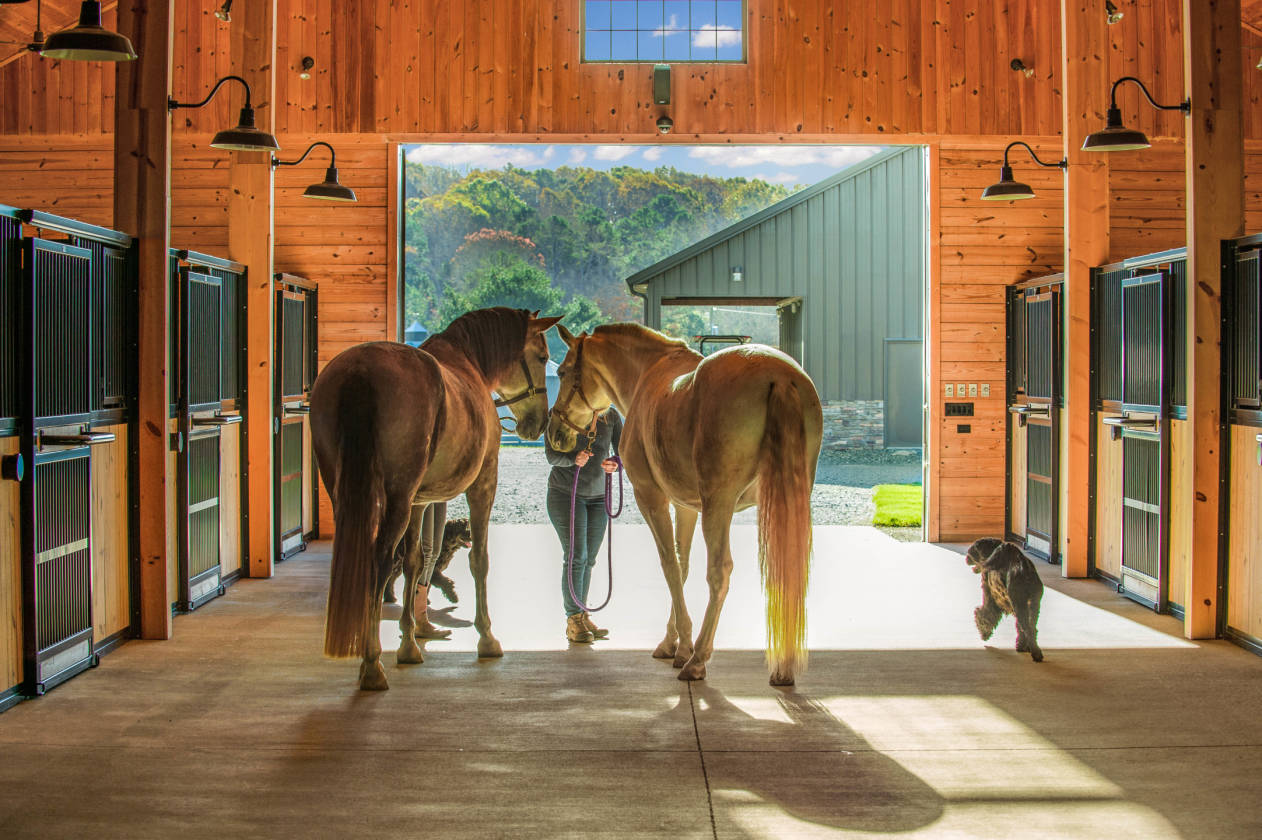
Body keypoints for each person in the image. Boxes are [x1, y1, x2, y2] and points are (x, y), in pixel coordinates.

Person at [545, 407, 622, 644]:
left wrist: (615, 464)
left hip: (599, 496)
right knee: (576, 556)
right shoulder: (561, 413)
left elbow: (623, 453)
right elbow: (551, 455)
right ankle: (573, 619)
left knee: (589, 559)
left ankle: (582, 613)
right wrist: (572, 459)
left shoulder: (611, 416)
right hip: (566, 493)